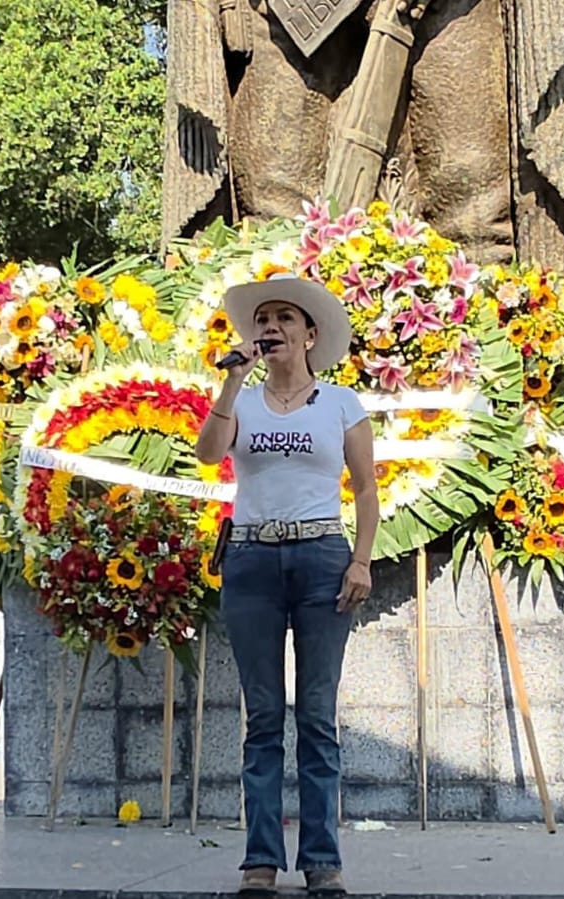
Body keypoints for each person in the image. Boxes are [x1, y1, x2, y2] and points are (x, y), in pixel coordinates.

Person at [195, 275, 378, 896]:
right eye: (263, 319)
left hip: (322, 556)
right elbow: (208, 453)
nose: (270, 327)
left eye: (284, 318)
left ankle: (322, 858)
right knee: (264, 716)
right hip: (251, 559)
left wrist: (360, 560)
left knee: (318, 715)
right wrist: (232, 381)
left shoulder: (341, 403)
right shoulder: (241, 400)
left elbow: (366, 489)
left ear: (310, 334)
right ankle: (261, 860)